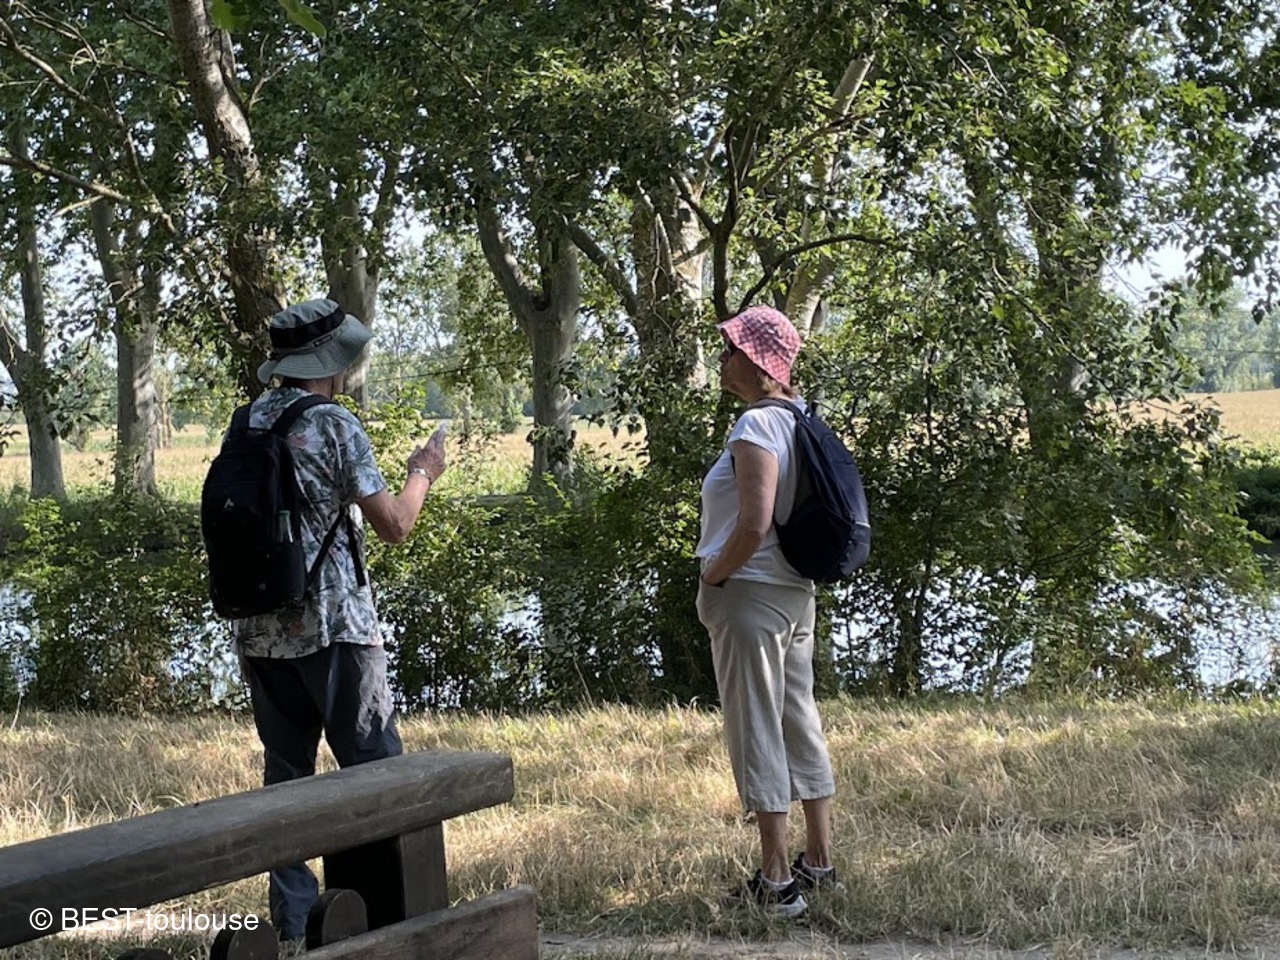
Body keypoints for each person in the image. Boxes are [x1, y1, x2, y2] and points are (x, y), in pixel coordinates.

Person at [232, 298, 447, 940]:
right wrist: (423, 471)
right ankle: (386, 916)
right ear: (331, 362)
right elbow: (395, 525)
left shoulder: (247, 421)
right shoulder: (333, 423)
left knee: (286, 779)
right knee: (375, 773)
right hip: (334, 625)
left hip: (260, 631)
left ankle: (296, 925)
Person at [695, 305, 839, 919]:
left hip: (751, 592)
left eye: (730, 350)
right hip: (794, 589)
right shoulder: (801, 418)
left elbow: (753, 524)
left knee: (756, 726)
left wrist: (714, 573)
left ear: (757, 363)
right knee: (797, 717)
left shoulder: (756, 424)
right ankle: (819, 860)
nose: (722, 359)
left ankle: (777, 881)